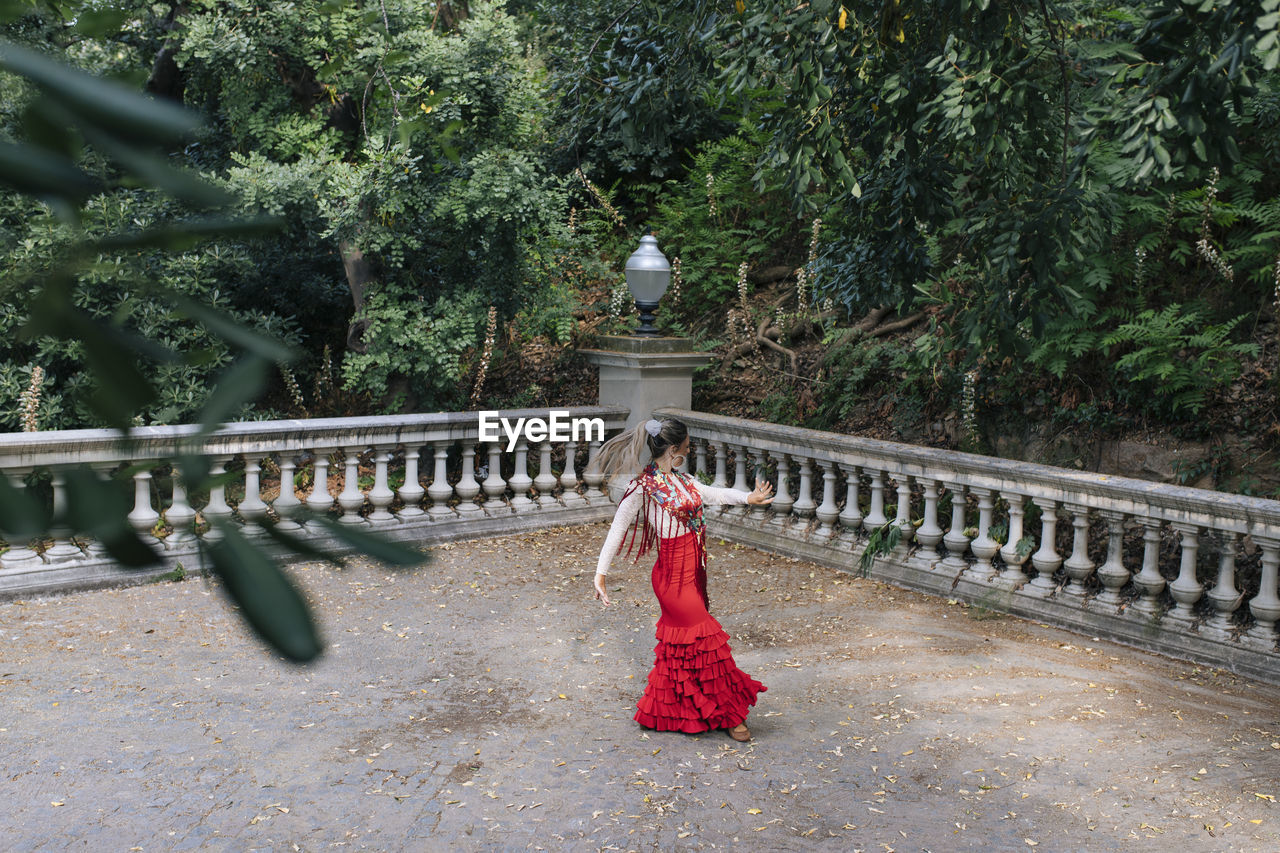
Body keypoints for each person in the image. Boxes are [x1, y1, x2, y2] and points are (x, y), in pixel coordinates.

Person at [588, 415, 773, 742]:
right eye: (686, 446)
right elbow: (618, 527)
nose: (689, 450)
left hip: (693, 572)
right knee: (707, 638)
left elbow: (713, 495)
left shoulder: (684, 481)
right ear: (673, 448)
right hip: (671, 579)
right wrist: (600, 573)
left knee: (683, 648)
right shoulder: (643, 488)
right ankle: (731, 714)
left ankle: (663, 708)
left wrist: (748, 498)